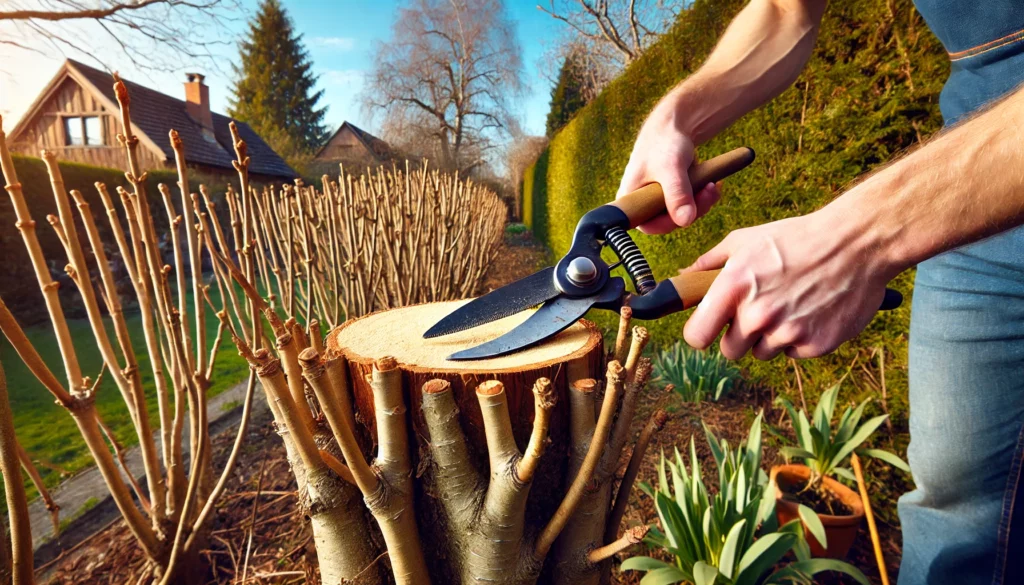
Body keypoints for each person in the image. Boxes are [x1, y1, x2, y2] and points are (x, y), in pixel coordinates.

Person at [616, 1, 1024, 583]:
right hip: (970, 187)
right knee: (957, 515)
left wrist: (857, 236)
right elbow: (786, 9)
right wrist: (678, 115)